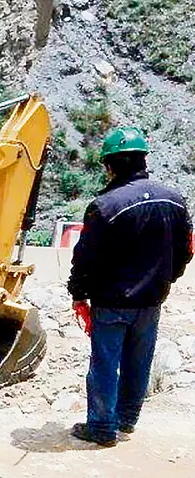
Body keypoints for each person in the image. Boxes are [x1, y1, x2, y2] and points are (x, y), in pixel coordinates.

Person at [67, 126, 193, 447]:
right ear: (143, 159)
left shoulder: (105, 206)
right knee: (139, 362)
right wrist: (167, 278)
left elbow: (85, 258)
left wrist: (79, 294)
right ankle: (127, 420)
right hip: (151, 301)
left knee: (105, 365)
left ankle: (101, 427)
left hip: (111, 303)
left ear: (110, 165)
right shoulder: (175, 200)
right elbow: (186, 249)